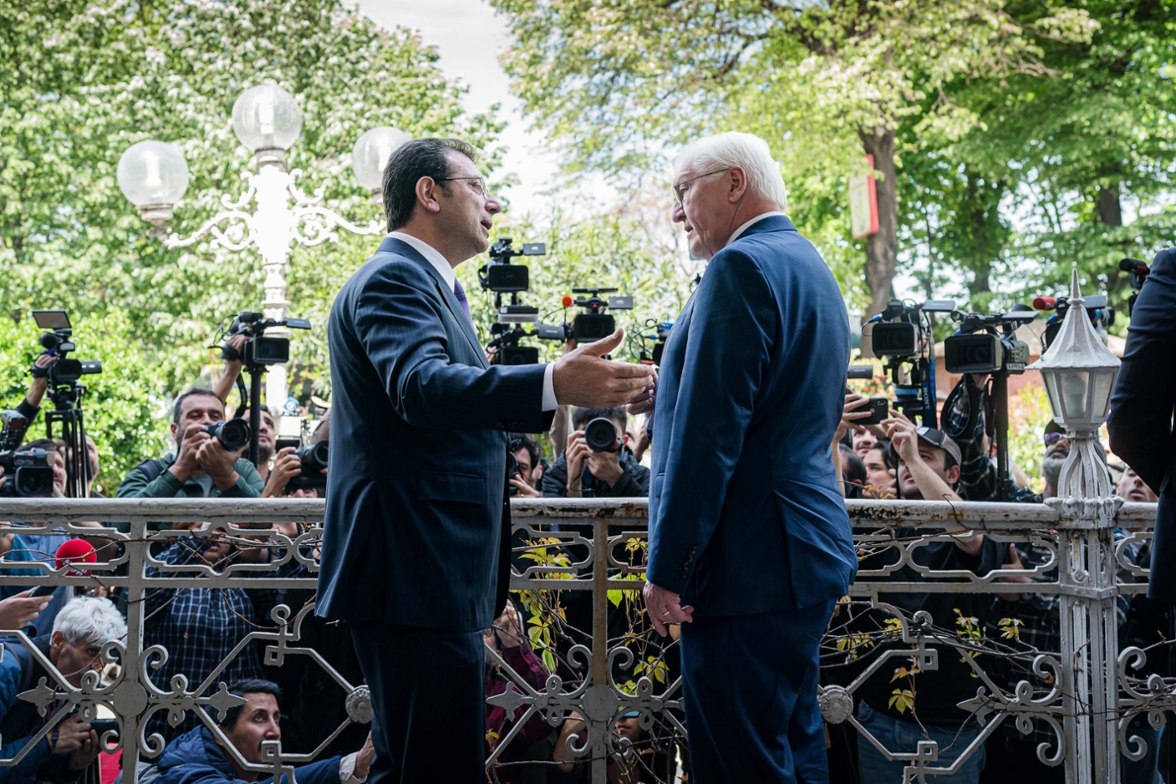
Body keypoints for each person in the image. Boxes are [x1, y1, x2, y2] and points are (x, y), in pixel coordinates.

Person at [315, 137, 655, 784]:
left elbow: (445, 397)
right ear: (429, 192)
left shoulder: (425, 283)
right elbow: (421, 388)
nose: (492, 200)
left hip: (425, 572)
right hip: (413, 570)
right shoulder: (394, 277)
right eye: (476, 184)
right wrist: (553, 384)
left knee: (410, 764)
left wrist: (566, 382)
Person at [641, 131, 856, 783]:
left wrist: (668, 567)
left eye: (684, 192)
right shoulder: (809, 264)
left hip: (746, 567)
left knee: (740, 765)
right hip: (798, 556)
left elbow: (709, 439)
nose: (677, 213)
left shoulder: (737, 268)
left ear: (735, 184)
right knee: (793, 750)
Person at [0, 596, 126, 784]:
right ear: (58, 640)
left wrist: (72, 764)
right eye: (91, 651)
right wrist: (49, 742)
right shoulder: (9, 670)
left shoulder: (71, 686)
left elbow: (41, 771)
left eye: (106, 655)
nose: (98, 667)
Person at [154, 679, 373, 784]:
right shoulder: (187, 772)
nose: (274, 731)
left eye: (276, 718)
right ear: (220, 735)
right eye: (259, 718)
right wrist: (348, 765)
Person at [116, 390, 264, 503]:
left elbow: (266, 519)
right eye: (195, 416)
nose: (207, 421)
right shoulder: (148, 472)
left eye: (215, 417)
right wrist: (180, 469)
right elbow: (118, 525)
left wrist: (226, 476)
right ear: (175, 431)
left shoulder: (242, 469)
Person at [541, 407, 650, 498]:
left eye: (608, 432)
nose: (599, 441)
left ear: (624, 441)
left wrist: (618, 479)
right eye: (589, 431)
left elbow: (649, 521)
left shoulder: (643, 477)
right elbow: (552, 523)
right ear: (576, 438)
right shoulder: (556, 477)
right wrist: (573, 487)